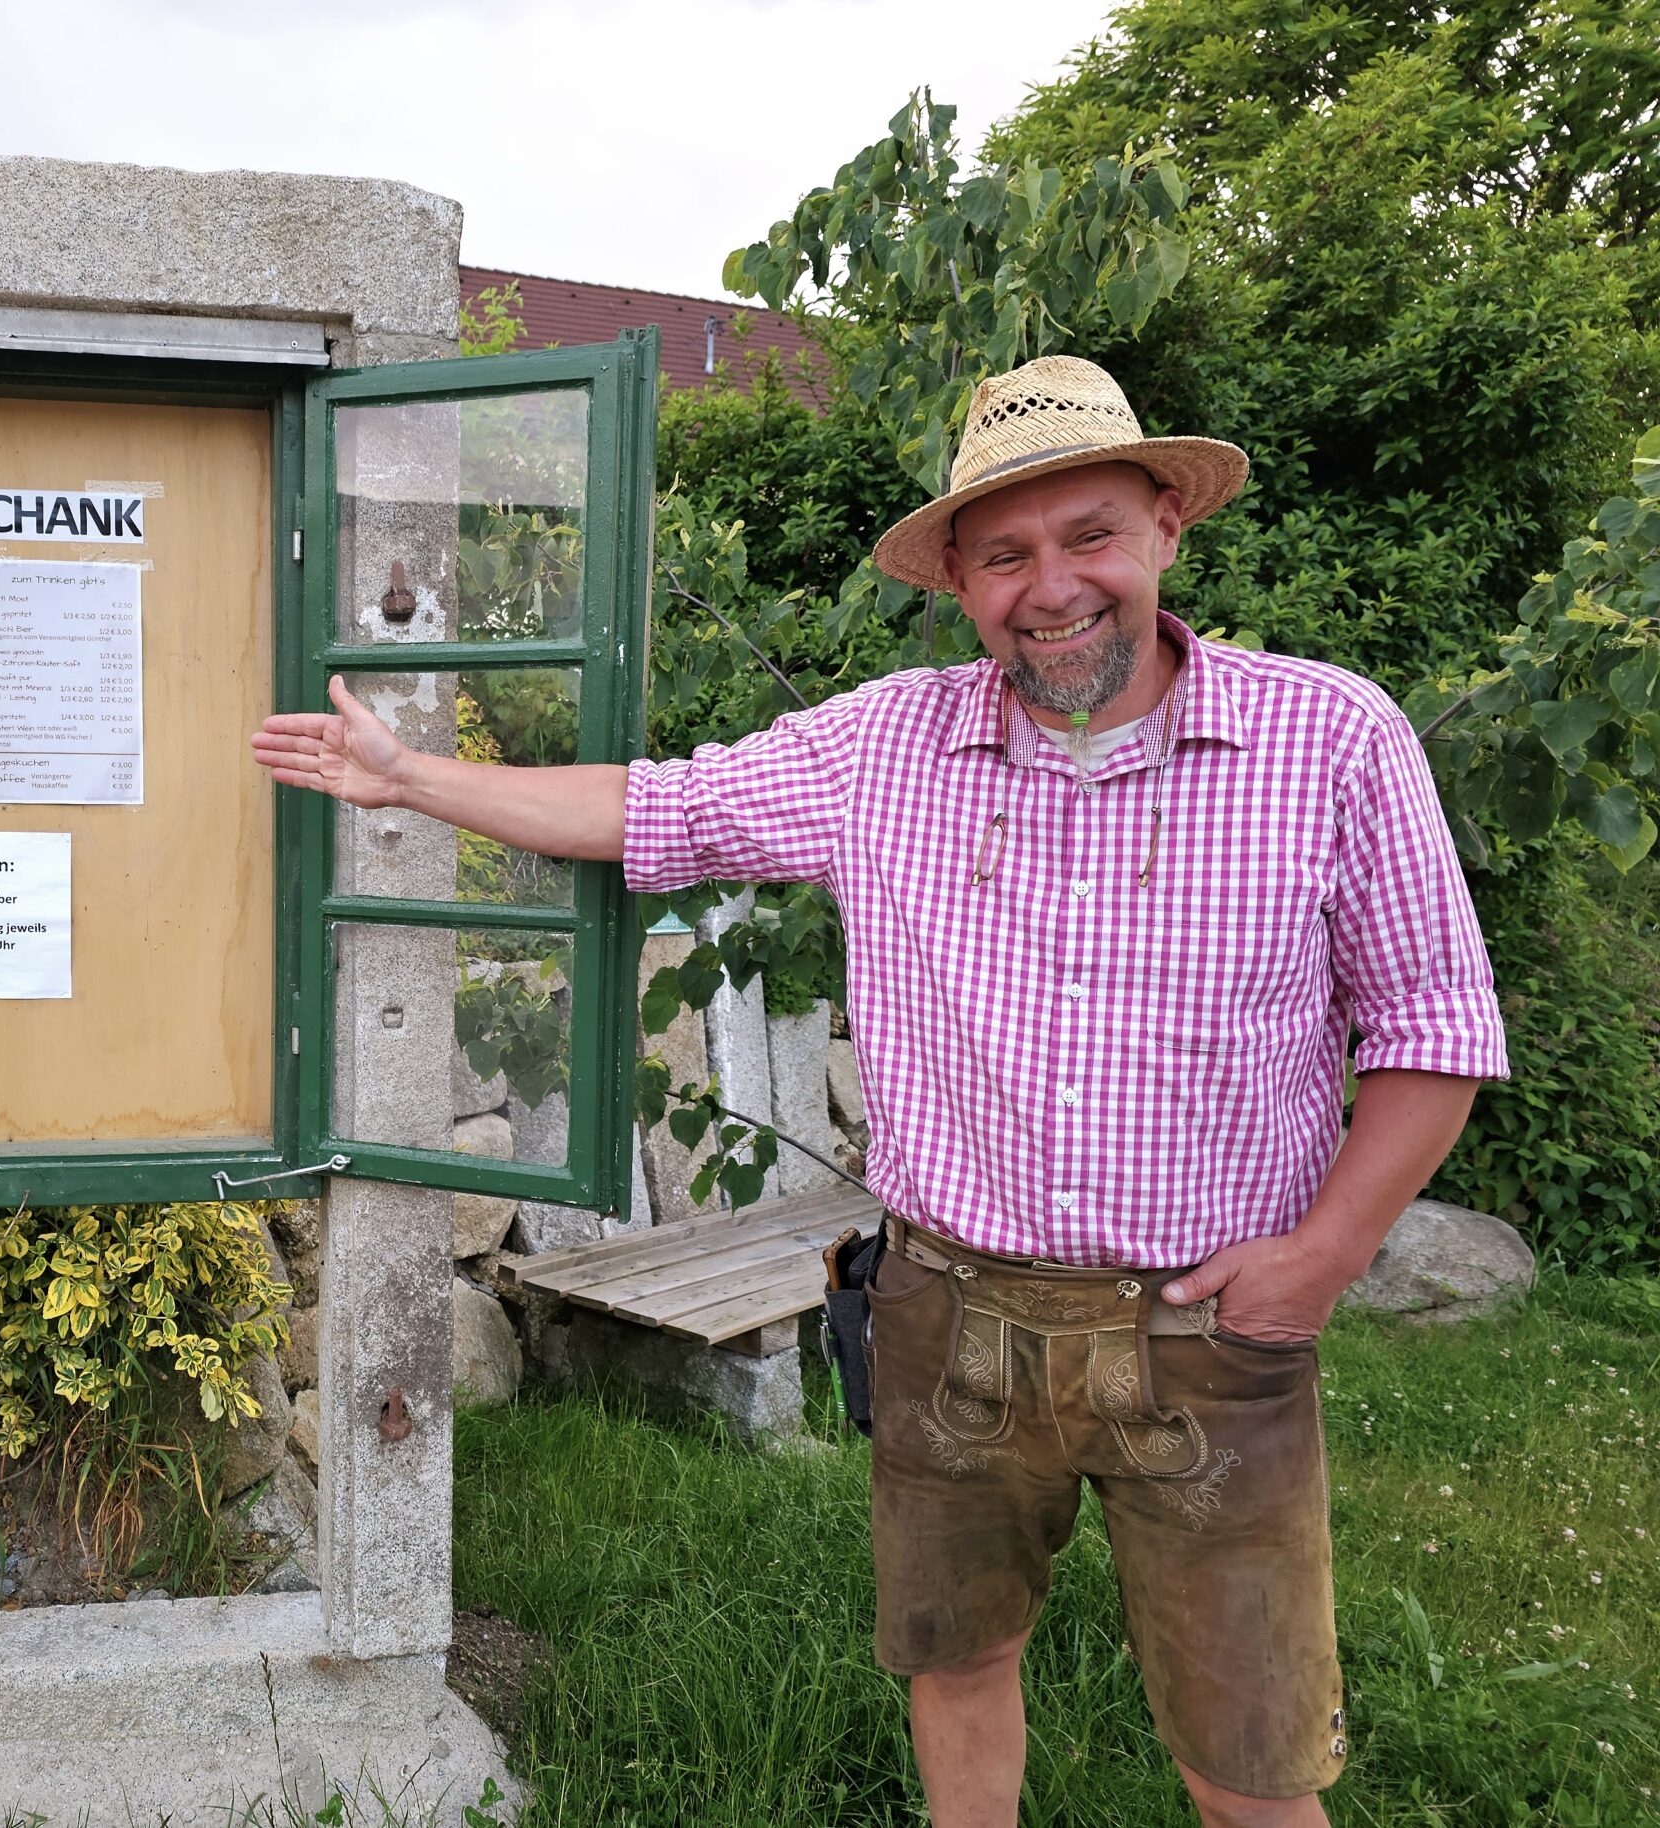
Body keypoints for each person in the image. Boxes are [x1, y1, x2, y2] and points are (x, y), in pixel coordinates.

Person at [249, 355, 1505, 1828]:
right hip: (951, 1317)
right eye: (1006, 556)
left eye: (1089, 535)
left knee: (1252, 1752)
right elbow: (660, 807)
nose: (1053, 588)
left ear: (1168, 524)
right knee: (957, 1665)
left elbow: (1433, 1025)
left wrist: (1327, 1257)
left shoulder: (1333, 740)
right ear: (962, 582)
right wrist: (412, 779)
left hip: (1210, 1331)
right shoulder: (885, 747)